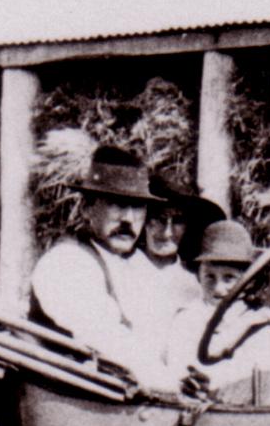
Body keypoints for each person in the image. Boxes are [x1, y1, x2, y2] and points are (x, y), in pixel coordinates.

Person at [28, 145, 183, 394]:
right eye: (117, 204)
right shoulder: (66, 263)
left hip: (132, 403)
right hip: (77, 404)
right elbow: (110, 341)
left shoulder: (136, 268)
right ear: (88, 208)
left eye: (137, 207)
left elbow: (164, 340)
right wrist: (173, 388)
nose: (128, 219)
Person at [164, 220, 270, 406]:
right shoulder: (187, 320)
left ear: (245, 281)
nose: (218, 288)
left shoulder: (260, 325)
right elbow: (177, 374)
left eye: (229, 278)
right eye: (210, 276)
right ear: (199, 274)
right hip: (200, 418)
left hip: (252, 418)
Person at [144, 170, 224, 317]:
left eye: (178, 221)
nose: (167, 232)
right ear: (145, 219)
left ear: (189, 226)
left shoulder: (197, 284)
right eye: (159, 218)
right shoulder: (122, 269)